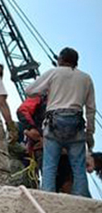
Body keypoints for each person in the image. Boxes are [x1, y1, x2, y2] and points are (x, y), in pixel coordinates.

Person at [25, 47, 96, 198]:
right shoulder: (86, 78)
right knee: (78, 166)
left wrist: (48, 90)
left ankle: (47, 197)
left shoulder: (54, 72)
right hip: (76, 124)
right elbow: (91, 109)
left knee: (50, 164)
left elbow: (30, 90)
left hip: (54, 123)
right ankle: (81, 198)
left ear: (61, 60)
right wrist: (89, 134)